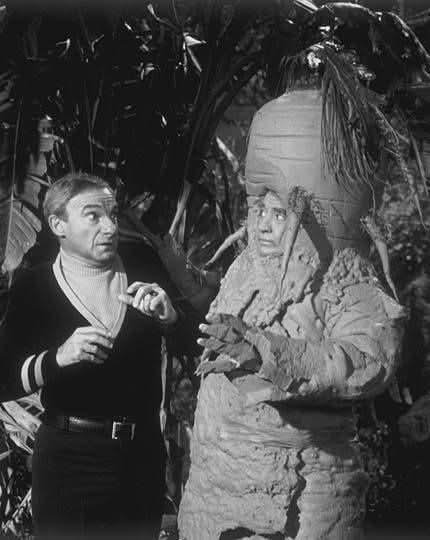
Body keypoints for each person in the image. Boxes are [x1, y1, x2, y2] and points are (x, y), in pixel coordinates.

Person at [178, 89, 406, 540]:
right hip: (215, 492)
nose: (262, 224)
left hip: (297, 502)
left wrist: (268, 352)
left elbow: (370, 359)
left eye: (280, 213)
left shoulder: (345, 277)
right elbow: (228, 314)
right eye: (257, 208)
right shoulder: (248, 264)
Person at [0, 172, 190, 538]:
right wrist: (57, 358)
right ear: (58, 225)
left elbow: (200, 348)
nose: (110, 227)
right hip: (68, 464)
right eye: (93, 215)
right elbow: (3, 378)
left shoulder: (144, 266)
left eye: (113, 214)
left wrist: (172, 318)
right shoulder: (35, 288)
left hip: (141, 461)